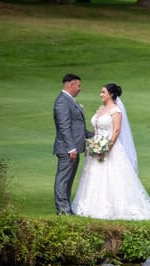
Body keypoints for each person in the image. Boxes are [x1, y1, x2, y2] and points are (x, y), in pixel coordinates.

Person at [71, 83, 150, 220]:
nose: (101, 94)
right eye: (100, 92)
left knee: (111, 176)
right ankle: (90, 205)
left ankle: (114, 207)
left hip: (110, 148)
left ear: (111, 94)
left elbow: (116, 131)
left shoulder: (116, 111)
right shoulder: (100, 109)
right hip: (97, 146)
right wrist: (94, 146)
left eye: (103, 92)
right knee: (93, 175)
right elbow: (96, 130)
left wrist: (106, 149)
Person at [53, 73, 92, 215]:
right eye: (79, 85)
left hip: (73, 148)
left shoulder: (70, 100)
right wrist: (71, 147)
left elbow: (78, 128)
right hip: (67, 149)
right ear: (70, 84)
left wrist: (97, 135)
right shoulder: (62, 101)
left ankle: (66, 208)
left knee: (68, 179)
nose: (80, 88)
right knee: (63, 178)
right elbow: (64, 126)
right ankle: (62, 210)